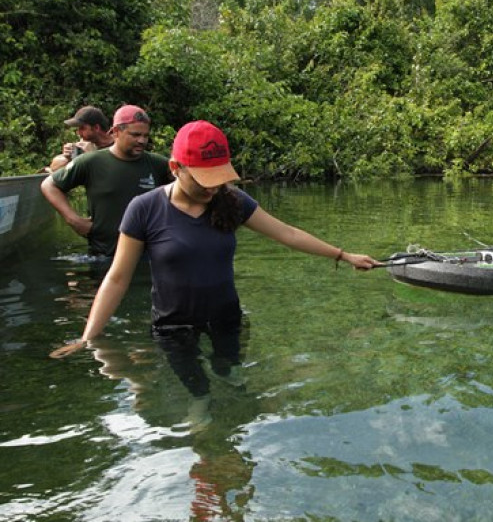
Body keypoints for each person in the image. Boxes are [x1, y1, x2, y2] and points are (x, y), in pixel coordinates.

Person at [50, 120, 382, 431]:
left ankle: (233, 408)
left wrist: (342, 254)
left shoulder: (231, 201)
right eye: (203, 179)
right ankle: (206, 434)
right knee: (199, 394)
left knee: (232, 376)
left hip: (226, 318)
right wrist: (88, 337)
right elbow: (117, 278)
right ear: (175, 169)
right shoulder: (145, 208)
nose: (214, 187)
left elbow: (287, 233)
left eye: (218, 177)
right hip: (172, 325)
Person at [41, 105, 172, 257]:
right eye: (135, 135)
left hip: (148, 258)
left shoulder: (158, 164)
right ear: (116, 132)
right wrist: (75, 221)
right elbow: (49, 185)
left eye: (145, 135)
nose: (142, 141)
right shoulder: (90, 162)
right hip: (104, 257)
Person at [43, 105, 115, 173]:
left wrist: (91, 155)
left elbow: (113, 173)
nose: (78, 133)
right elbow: (54, 167)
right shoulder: (84, 146)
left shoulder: (119, 145)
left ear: (96, 128)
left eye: (82, 128)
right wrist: (67, 157)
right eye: (78, 129)